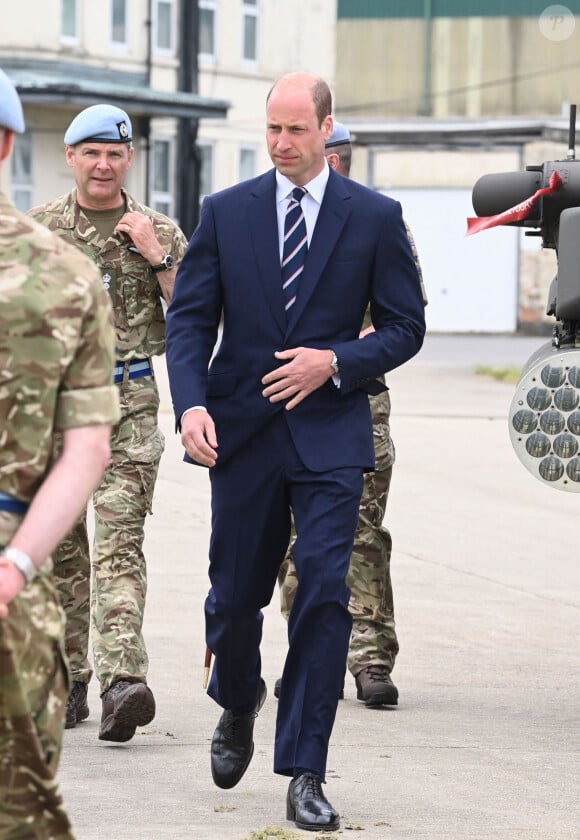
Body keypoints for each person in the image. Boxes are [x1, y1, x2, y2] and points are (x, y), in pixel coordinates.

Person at [165, 72, 426, 831]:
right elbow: (189, 322)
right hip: (241, 434)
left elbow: (407, 327)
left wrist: (336, 362)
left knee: (320, 595)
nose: (281, 144)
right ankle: (238, 697)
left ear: (326, 129)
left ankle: (305, 768)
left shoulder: (375, 218)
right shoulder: (226, 212)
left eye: (296, 130)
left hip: (331, 438)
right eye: (271, 130)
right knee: (235, 596)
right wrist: (191, 405)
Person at [28, 104, 188, 743]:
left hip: (129, 404)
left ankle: (125, 681)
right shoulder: (36, 231)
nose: (103, 164)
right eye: (91, 153)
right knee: (64, 551)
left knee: (120, 541)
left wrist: (155, 258)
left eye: (115, 154)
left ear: (129, 160)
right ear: (71, 157)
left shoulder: (159, 230)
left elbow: (197, 314)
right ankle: (69, 680)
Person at [0, 69, 120, 838]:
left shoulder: (66, 278)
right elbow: (85, 448)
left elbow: (87, 447)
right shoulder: (67, 269)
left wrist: (14, 568)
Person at [276, 121, 428, 708]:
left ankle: (369, 657)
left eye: (334, 157)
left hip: (358, 401)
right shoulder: (274, 217)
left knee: (360, 534)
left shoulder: (374, 221)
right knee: (296, 539)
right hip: (288, 401)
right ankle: (309, 656)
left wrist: (344, 352)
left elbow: (403, 315)